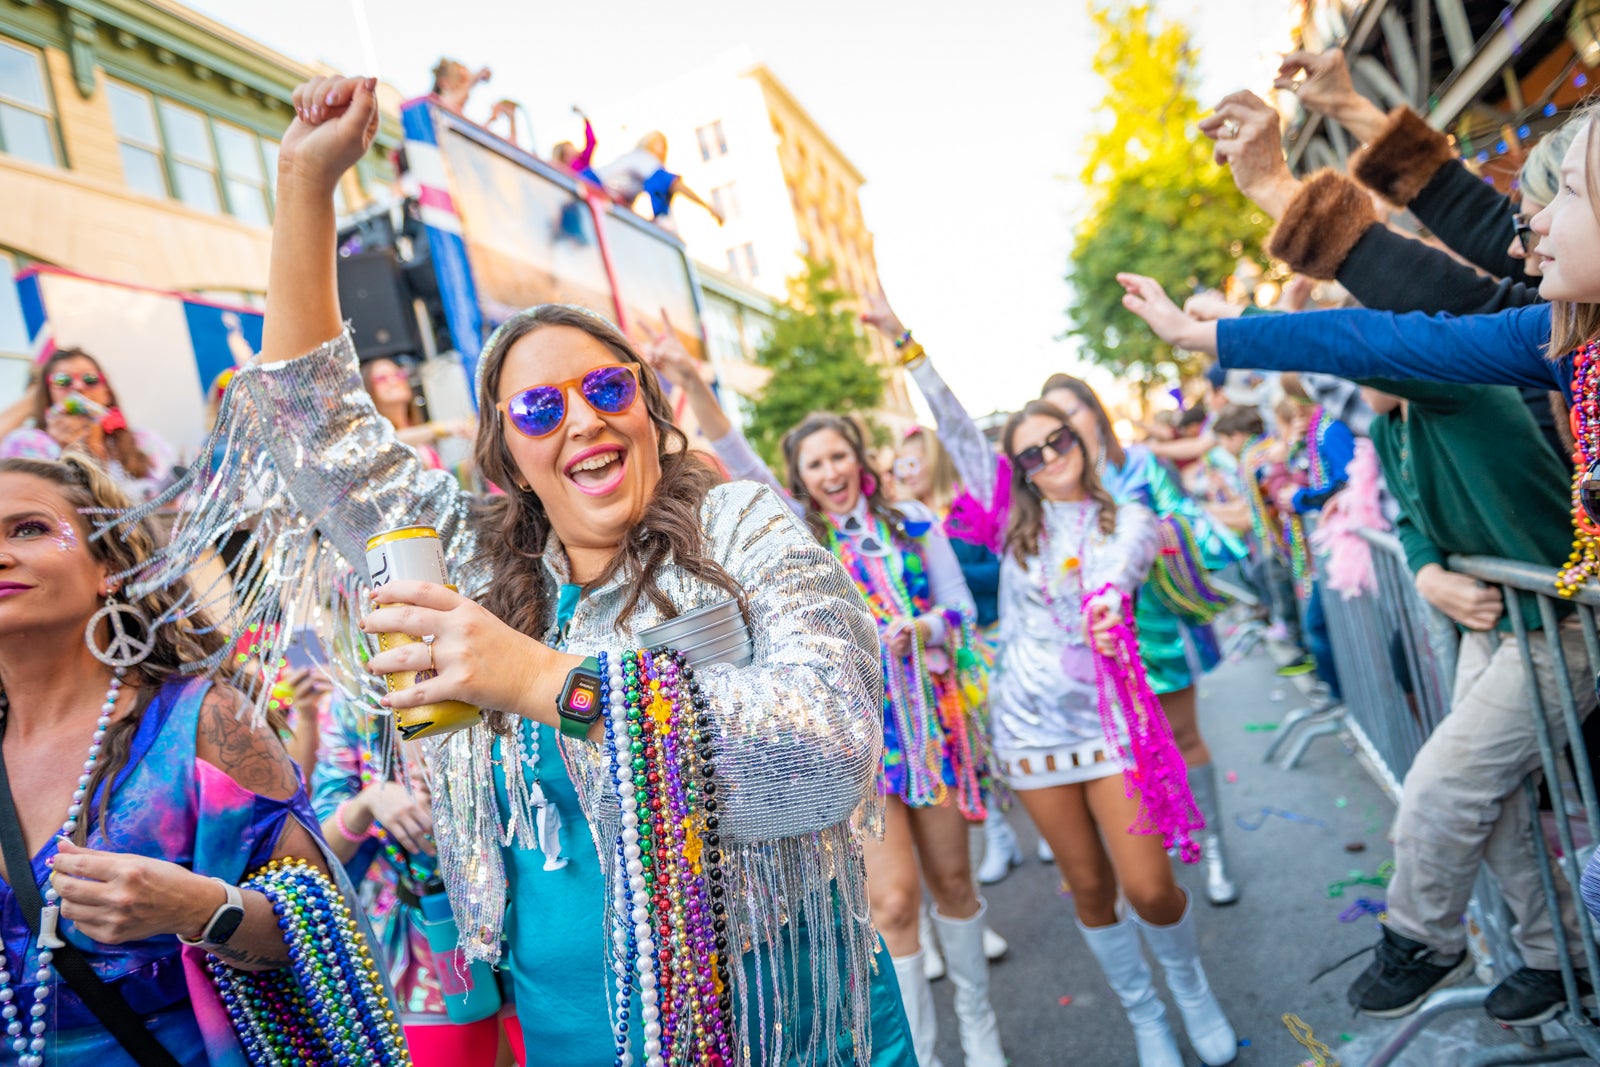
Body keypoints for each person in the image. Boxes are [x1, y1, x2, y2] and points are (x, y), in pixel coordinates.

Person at [185, 72, 914, 1067]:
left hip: (772, 1009)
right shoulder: (476, 559)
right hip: (568, 1021)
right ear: (507, 455)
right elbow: (314, 433)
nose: (581, 418)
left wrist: (538, 680)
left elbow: (832, 744)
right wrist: (305, 183)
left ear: (650, 409)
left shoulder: (739, 523)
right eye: (538, 408)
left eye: (608, 386)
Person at [642, 327, 1004, 1067]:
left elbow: (963, 605)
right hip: (855, 744)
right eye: (815, 463)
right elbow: (734, 451)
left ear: (858, 461)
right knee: (894, 904)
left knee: (956, 883)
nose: (831, 470)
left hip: (929, 733)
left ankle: (982, 1032)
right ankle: (927, 1056)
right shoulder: (799, 534)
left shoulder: (911, 525)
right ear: (800, 479)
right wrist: (690, 378)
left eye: (839, 455)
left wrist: (924, 623)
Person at [0, 453, 397, 1064]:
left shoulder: (204, 721)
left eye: (28, 528)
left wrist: (200, 908)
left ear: (108, 565)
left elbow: (322, 932)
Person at [994, 395, 1236, 1067]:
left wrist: (1105, 603)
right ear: (1018, 470)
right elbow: (955, 429)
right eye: (1030, 452)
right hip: (1029, 735)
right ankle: (1146, 1015)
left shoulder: (1126, 516)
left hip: (1107, 726)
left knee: (1151, 888)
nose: (1049, 455)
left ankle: (1190, 990)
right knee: (1092, 890)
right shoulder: (1011, 533)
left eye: (1058, 438)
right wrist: (907, 346)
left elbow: (1122, 565)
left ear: (1084, 435)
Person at [313, 695, 522, 1065]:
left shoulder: (489, 667)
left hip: (525, 929)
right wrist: (368, 803)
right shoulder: (355, 702)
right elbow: (319, 852)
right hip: (419, 948)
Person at [893, 428, 1024, 888]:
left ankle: (1039, 812)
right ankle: (998, 832)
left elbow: (1002, 570)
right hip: (943, 655)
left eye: (912, 462)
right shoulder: (900, 527)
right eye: (898, 464)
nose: (903, 472)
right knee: (968, 742)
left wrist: (947, 564)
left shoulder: (964, 515)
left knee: (1003, 733)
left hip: (991, 638)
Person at [0, 348, 174, 504]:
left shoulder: (143, 441)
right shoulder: (28, 444)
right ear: (48, 394)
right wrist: (66, 451)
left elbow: (178, 501)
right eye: (62, 381)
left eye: (90, 379)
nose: (78, 386)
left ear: (107, 393)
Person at [360, 356, 472, 472]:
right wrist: (440, 428)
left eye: (398, 375)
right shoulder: (373, 437)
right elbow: (389, 441)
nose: (393, 381)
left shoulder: (417, 431)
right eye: (382, 378)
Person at [597, 133, 725, 229]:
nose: (663, 151)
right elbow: (675, 186)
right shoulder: (646, 160)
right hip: (592, 187)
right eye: (660, 145)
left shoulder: (637, 164)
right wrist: (709, 207)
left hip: (597, 196)